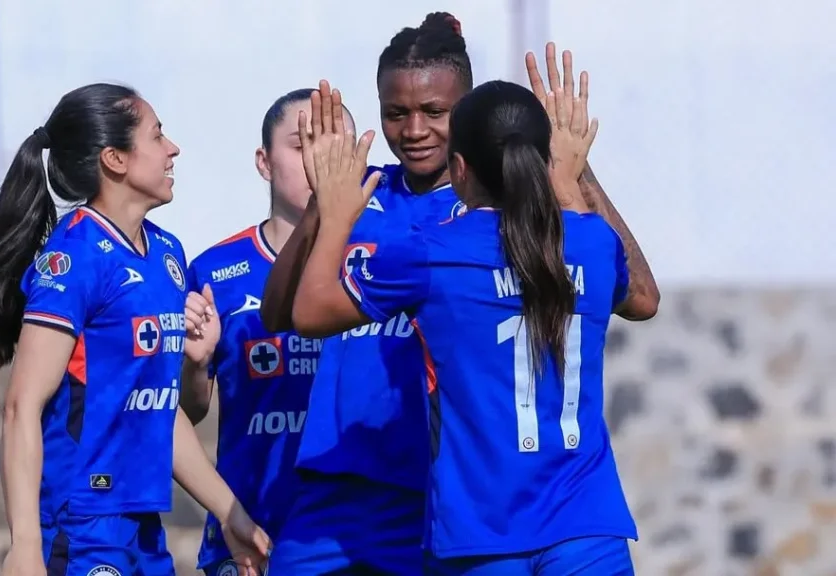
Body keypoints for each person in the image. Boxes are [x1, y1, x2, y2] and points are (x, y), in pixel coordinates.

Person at [289, 60, 658, 576]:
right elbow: (644, 299)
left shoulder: (433, 252)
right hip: (587, 530)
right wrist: (577, 177)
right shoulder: (593, 242)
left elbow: (308, 312)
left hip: (481, 535)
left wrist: (333, 213)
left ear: (459, 169)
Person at [0, 83, 270, 576]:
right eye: (157, 135)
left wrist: (231, 513)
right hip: (79, 524)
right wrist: (24, 545)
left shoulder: (167, 254)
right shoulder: (74, 257)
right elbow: (22, 406)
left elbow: (165, 411)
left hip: (142, 524)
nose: (173, 149)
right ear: (115, 159)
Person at [260, 13, 473, 575]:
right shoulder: (362, 192)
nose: (414, 130)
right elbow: (278, 313)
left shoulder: (484, 212)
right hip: (335, 482)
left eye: (434, 112)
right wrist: (322, 207)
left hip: (434, 488)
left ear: (466, 110)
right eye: (396, 113)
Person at [180, 89, 355, 576]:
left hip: (351, 540)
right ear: (264, 161)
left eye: (332, 144)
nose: (319, 160)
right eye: (302, 145)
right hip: (249, 538)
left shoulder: (379, 263)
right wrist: (195, 364)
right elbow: (189, 411)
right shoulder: (215, 270)